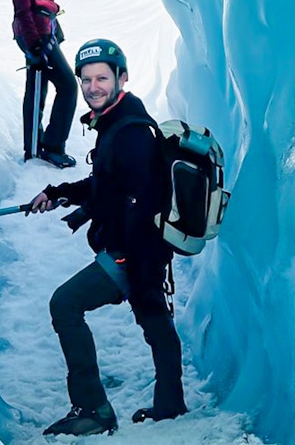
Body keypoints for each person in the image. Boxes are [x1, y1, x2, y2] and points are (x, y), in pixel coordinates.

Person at [28, 39, 188, 436]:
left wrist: (136, 265)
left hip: (131, 252)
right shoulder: (120, 122)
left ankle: (94, 410)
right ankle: (171, 402)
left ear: (122, 78)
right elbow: (109, 185)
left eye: (102, 77)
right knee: (155, 320)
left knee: (65, 304)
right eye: (85, 80)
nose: (92, 87)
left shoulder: (130, 132)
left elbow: (139, 200)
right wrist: (62, 193)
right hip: (139, 251)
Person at [0, 0, 78, 168]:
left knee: (38, 86)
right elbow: (22, 7)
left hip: (43, 29)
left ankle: (35, 147)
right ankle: (48, 148)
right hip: (35, 33)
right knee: (66, 85)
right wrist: (36, 45)